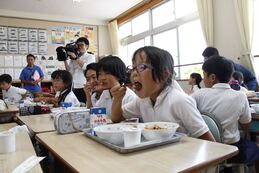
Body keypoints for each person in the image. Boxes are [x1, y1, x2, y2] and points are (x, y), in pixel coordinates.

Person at [111, 46, 214, 141]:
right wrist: (117, 98)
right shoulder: (142, 101)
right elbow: (117, 118)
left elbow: (211, 143)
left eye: (141, 67)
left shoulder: (180, 101)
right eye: (133, 68)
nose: (134, 74)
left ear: (164, 75)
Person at [191, 56, 259, 172]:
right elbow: (246, 125)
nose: (203, 79)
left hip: (206, 147)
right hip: (232, 149)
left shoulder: (198, 94)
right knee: (255, 146)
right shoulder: (240, 96)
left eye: (204, 75)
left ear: (212, 77)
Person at [64, 37, 95, 103]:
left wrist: (76, 57)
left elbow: (86, 68)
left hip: (83, 86)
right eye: (78, 45)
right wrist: (65, 60)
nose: (79, 47)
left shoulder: (90, 56)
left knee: (84, 105)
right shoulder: (74, 58)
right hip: (73, 86)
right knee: (75, 106)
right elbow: (69, 71)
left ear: (87, 46)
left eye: (81, 45)